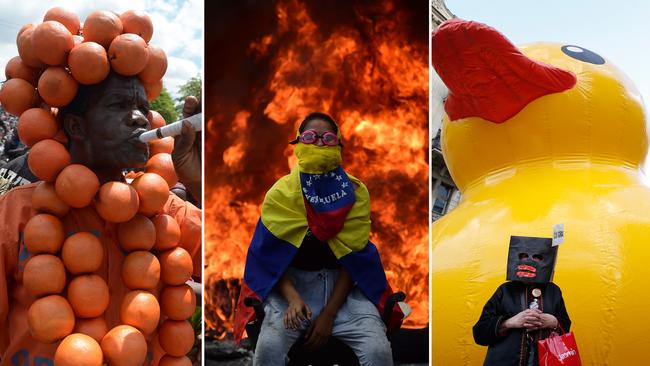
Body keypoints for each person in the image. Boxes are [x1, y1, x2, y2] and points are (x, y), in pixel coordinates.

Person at [0, 72, 202, 365]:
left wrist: (197, 181)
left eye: (144, 109)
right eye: (119, 105)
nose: (139, 119)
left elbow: (240, 260)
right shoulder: (18, 210)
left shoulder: (164, 209)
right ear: (76, 126)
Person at [233, 112, 401, 366]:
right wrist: (293, 298)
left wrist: (329, 314)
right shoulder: (280, 194)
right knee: (268, 348)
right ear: (299, 143)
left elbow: (353, 258)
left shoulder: (356, 193)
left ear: (339, 144)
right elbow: (268, 259)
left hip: (342, 292)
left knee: (379, 352)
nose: (320, 142)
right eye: (311, 137)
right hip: (290, 286)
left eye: (328, 137)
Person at [473, 236, 571, 366]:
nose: (530, 261)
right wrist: (509, 323)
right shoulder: (505, 290)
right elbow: (479, 333)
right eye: (524, 256)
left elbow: (565, 326)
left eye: (537, 257)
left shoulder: (554, 291)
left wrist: (553, 322)